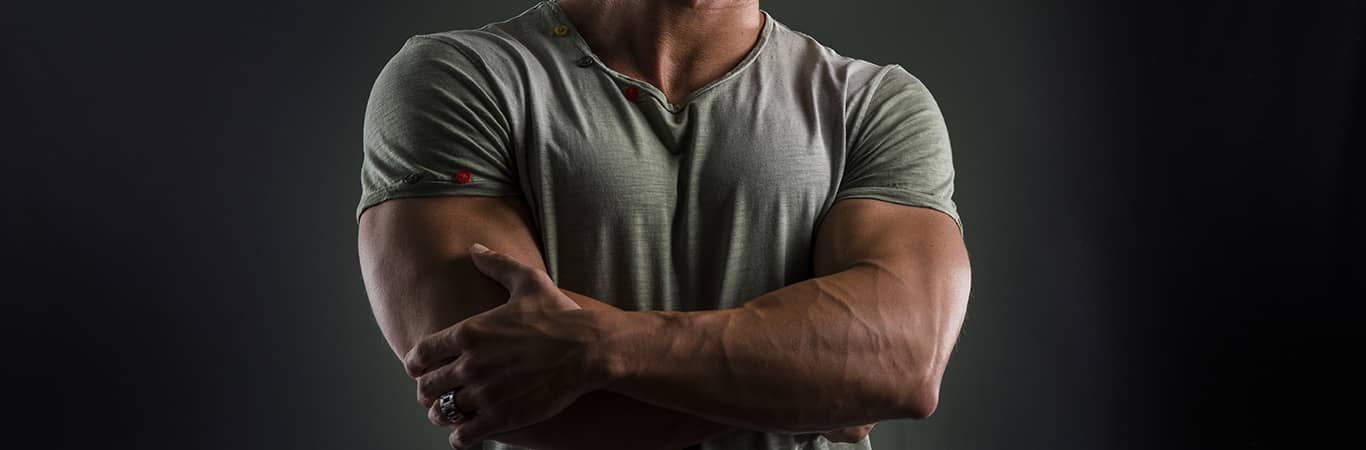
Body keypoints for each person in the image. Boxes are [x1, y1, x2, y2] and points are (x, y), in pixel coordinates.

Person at [355, 1, 971, 449]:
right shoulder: (459, 81)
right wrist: (823, 381)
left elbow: (903, 364)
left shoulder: (872, 103)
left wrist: (600, 348)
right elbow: (513, 398)